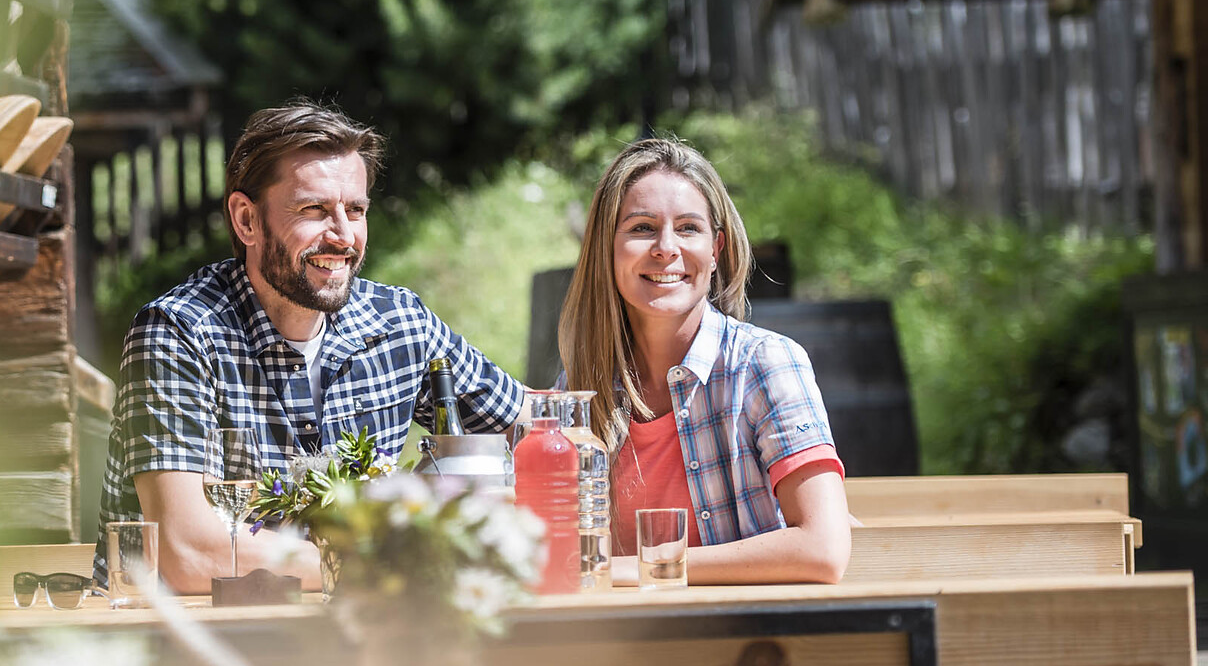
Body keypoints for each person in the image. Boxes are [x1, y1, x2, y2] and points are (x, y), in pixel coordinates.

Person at [99, 102, 526, 593]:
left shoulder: (400, 323)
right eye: (314, 210)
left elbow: (541, 433)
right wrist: (390, 561)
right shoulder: (178, 335)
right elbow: (188, 552)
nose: (344, 236)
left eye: (356, 211)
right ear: (246, 220)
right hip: (196, 649)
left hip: (356, 643)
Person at [557, 136, 851, 584]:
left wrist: (626, 568)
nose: (666, 248)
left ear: (715, 250)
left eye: (688, 228)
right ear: (606, 248)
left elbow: (823, 549)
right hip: (614, 648)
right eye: (641, 228)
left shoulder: (763, 363)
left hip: (751, 642)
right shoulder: (580, 386)